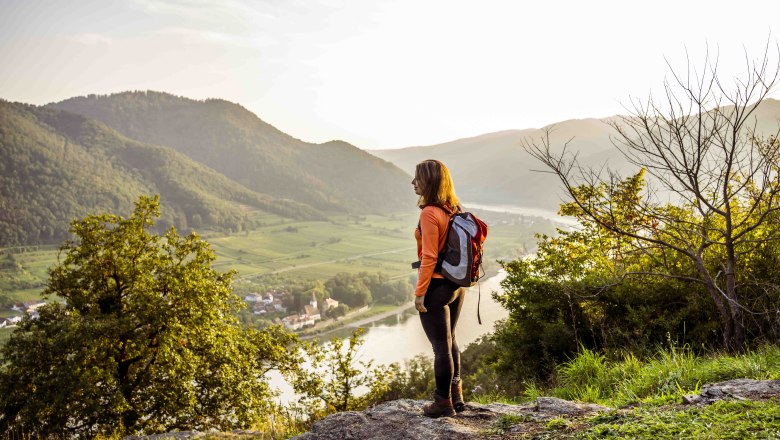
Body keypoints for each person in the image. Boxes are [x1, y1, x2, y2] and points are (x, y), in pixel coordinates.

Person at [411, 159, 466, 418]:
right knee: (451, 340)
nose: (413, 182)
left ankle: (442, 404)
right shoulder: (453, 208)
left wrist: (419, 293)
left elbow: (429, 257)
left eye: (417, 178)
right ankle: (457, 395)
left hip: (437, 287)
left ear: (430, 182)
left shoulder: (429, 213)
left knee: (440, 349)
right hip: (456, 285)